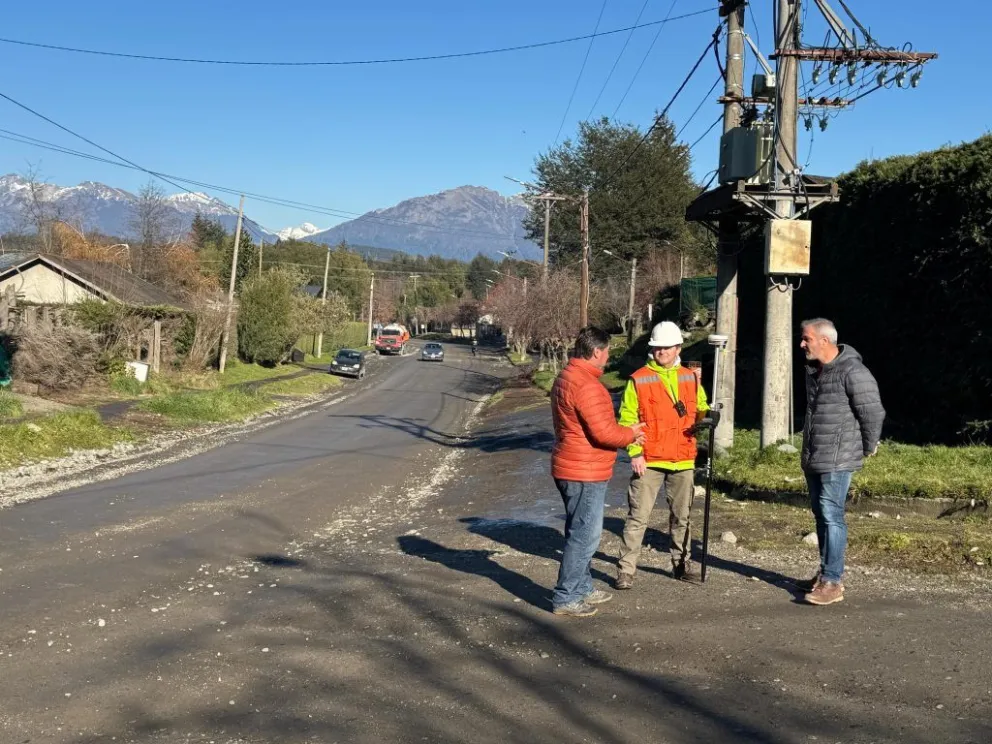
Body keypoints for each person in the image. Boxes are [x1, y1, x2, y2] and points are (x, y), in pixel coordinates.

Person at [550, 326, 646, 618]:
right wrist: (630, 434)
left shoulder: (567, 376)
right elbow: (604, 433)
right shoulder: (587, 386)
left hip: (571, 464)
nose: (608, 358)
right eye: (607, 352)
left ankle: (582, 587)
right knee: (585, 536)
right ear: (596, 351)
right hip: (584, 470)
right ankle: (566, 597)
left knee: (577, 530)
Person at [616, 321, 709, 589]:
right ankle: (626, 570)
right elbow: (627, 419)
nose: (661, 352)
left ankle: (682, 565)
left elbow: (700, 409)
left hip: (683, 459)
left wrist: (708, 417)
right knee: (638, 517)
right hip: (650, 459)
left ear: (677, 347)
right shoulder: (639, 379)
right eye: (657, 347)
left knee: (682, 517)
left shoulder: (690, 377)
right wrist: (635, 453)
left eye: (666, 347)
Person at [798, 318, 885, 606]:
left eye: (806, 339)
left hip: (838, 457)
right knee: (821, 514)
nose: (802, 344)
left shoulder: (853, 371)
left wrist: (869, 445)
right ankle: (825, 572)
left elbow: (872, 412)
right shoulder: (815, 371)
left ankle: (832, 581)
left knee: (832, 514)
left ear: (825, 340)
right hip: (815, 455)